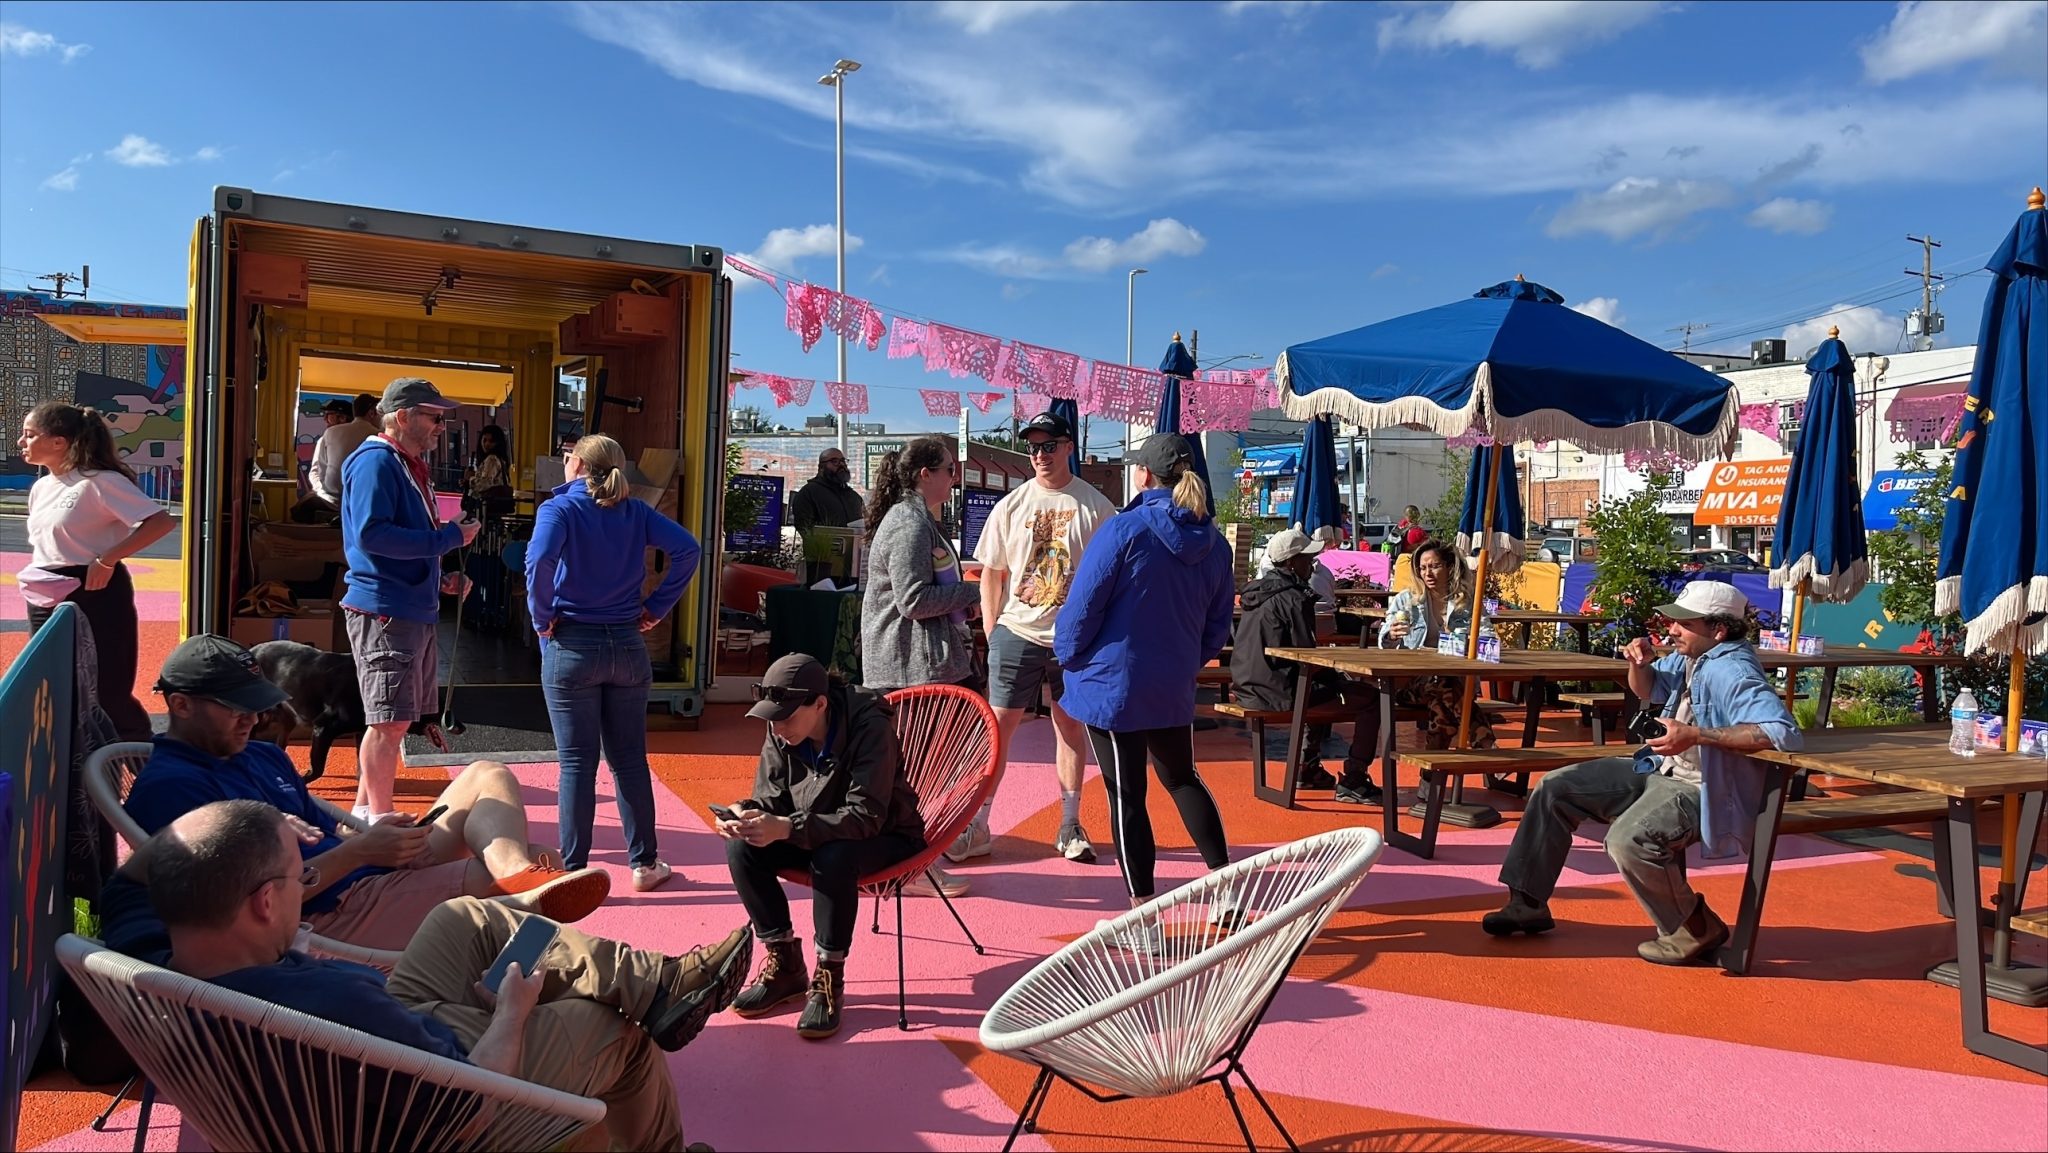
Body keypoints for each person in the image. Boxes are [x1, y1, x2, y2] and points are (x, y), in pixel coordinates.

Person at [105, 800, 750, 1153]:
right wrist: (509, 1017)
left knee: (461, 919)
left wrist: (249, 829)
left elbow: (141, 873)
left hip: (352, 1076)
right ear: (264, 904)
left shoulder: (147, 962)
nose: (310, 881)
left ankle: (663, 982)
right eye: (296, 875)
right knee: (612, 1030)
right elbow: (468, 1103)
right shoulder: (331, 997)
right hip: (425, 1105)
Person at [125, 634, 611, 952]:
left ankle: (516, 881)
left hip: (364, 870)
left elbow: (316, 827)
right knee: (534, 883)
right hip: (328, 913)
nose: (252, 719)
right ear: (180, 704)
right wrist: (360, 851)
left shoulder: (257, 754)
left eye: (256, 706)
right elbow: (253, 903)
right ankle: (526, 978)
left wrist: (372, 840)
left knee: (489, 774)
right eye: (236, 708)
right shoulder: (174, 789)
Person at [1485, 581, 1800, 964]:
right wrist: (1638, 665)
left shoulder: (1731, 669)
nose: (1672, 628)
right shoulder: (1696, 656)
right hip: (1659, 768)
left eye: (1685, 622)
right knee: (1555, 787)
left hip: (1700, 787)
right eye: (1674, 620)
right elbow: (1648, 688)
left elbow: (1781, 731)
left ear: (1718, 630)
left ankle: (1694, 927)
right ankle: (1526, 903)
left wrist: (1697, 735)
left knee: (1627, 839)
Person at [1053, 435, 1236, 919]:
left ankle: (1143, 912)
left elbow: (1082, 608)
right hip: (1171, 682)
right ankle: (1225, 887)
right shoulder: (1216, 544)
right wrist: (1183, 662)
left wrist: (1068, 657)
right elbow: (1218, 626)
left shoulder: (1124, 530)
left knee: (1127, 795)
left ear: (1145, 475)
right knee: (1182, 779)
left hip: (1113, 685)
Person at [527, 434, 701, 893]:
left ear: (578, 463)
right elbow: (690, 550)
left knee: (577, 764)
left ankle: (575, 870)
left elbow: (540, 560)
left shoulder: (558, 510)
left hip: (571, 645)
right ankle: (644, 863)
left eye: (567, 458)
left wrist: (542, 617)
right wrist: (656, 607)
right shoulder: (637, 511)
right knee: (628, 760)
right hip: (627, 643)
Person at [718, 654, 925, 1040]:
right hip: (813, 828)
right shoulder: (782, 728)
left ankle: (829, 974)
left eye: (786, 718)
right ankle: (785, 965)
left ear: (821, 704)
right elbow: (771, 798)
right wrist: (744, 814)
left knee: (835, 855)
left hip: (888, 836)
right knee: (742, 848)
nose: (778, 728)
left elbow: (865, 816)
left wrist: (785, 826)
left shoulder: (870, 726)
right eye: (772, 718)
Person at [958, 410, 1119, 866]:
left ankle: (1070, 824)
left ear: (1070, 447)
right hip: (1017, 631)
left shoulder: (1096, 507)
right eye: (1033, 447)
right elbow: (993, 572)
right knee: (997, 728)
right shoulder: (1011, 506)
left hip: (1075, 639)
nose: (1041, 455)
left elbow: (1110, 578)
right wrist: (994, 630)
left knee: (1069, 727)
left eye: (1050, 445)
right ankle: (979, 823)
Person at [340, 377, 480, 821]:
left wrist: (438, 576)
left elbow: (384, 538)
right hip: (388, 609)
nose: (441, 426)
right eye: (434, 417)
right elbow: (371, 534)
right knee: (389, 721)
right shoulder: (379, 463)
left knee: (392, 720)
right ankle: (379, 819)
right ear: (402, 417)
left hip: (402, 606)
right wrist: (447, 540)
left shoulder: (397, 463)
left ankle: (368, 814)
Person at [857, 435, 979, 901]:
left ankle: (909, 860)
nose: (955, 477)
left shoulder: (915, 518)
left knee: (914, 771)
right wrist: (970, 594)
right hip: (907, 666)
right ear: (924, 474)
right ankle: (907, 864)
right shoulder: (908, 523)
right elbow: (912, 601)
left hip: (918, 662)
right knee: (910, 774)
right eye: (949, 469)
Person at [17, 401, 174, 740]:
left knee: (108, 693)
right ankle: (76, 778)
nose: (21, 442)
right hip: (46, 595)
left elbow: (160, 521)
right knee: (53, 689)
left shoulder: (99, 482)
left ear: (59, 442)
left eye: (30, 435)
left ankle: (144, 768)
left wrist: (108, 559)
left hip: (96, 589)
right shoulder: (42, 487)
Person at [1231, 528, 1384, 805]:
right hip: (1278, 691)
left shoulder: (1257, 593)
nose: (1312, 564)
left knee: (1320, 687)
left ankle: (1308, 767)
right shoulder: (1294, 598)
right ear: (1291, 563)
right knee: (1371, 699)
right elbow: (1308, 655)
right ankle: (1354, 778)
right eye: (1307, 558)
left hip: (1249, 686)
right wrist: (1338, 676)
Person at [1375, 538, 1500, 749]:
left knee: (1441, 706)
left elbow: (1488, 637)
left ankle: (1431, 775)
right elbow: (1383, 639)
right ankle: (1486, 744)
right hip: (1411, 683)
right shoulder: (1407, 599)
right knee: (1443, 684)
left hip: (1452, 683)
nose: (1427, 574)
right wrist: (1391, 636)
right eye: (1423, 568)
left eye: (1434, 566)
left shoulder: (1467, 601)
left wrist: (1469, 641)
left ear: (1450, 567)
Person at [300, 392, 380, 516]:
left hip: (331, 500)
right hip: (363, 505)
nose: (324, 419)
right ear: (371, 413)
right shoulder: (379, 436)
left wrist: (320, 492)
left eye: (328, 415)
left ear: (342, 418)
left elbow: (318, 471)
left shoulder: (329, 434)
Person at [790, 446, 864, 534]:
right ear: (821, 467)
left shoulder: (853, 496)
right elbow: (805, 529)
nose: (841, 465)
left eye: (843, 461)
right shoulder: (808, 493)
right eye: (835, 461)